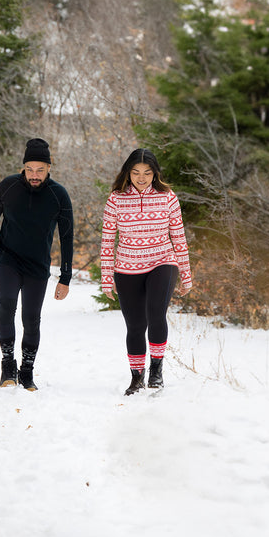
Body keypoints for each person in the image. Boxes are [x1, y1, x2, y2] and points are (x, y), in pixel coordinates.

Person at [0, 138, 74, 391]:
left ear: (49, 168)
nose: (34, 175)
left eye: (40, 170)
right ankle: (8, 365)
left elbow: (66, 237)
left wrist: (65, 277)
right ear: (23, 167)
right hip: (9, 260)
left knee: (31, 319)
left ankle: (27, 370)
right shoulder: (8, 187)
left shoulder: (58, 195)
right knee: (6, 307)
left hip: (38, 266)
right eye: (30, 169)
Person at [100, 148, 193, 395]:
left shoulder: (168, 197)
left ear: (155, 174)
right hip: (127, 266)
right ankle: (136, 378)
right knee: (135, 325)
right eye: (136, 172)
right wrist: (106, 278)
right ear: (128, 173)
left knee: (155, 313)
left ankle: (157, 370)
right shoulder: (116, 199)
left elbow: (179, 237)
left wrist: (185, 273)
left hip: (162, 260)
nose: (141, 178)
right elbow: (108, 240)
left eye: (147, 173)